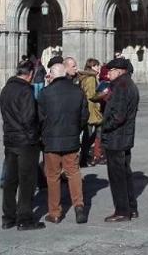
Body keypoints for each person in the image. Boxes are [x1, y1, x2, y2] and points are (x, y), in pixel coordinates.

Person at [38, 58, 89, 224]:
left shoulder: (45, 93)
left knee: (52, 176)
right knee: (73, 173)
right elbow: (84, 116)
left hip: (51, 142)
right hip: (72, 140)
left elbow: (39, 118)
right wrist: (76, 130)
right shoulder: (77, 91)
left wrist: (43, 134)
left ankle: (55, 212)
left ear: (52, 75)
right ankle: (79, 206)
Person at [0, 59, 45, 231]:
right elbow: (28, 119)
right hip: (25, 142)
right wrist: (35, 138)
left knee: (10, 180)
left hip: (9, 140)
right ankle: (24, 219)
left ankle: (8, 217)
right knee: (27, 181)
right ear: (31, 74)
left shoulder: (6, 89)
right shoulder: (26, 90)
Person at [101, 58, 140, 222]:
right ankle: (131, 208)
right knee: (125, 173)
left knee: (117, 176)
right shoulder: (128, 84)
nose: (108, 73)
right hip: (124, 137)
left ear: (119, 70)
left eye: (110, 71)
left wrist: (105, 126)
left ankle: (122, 211)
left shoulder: (121, 86)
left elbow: (118, 115)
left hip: (116, 138)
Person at [79, 58, 104, 168]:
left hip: (90, 109)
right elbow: (91, 95)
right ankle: (87, 157)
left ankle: (94, 155)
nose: (98, 67)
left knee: (95, 132)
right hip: (92, 109)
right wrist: (104, 93)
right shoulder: (91, 78)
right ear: (91, 66)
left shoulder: (87, 77)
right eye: (96, 65)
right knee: (90, 134)